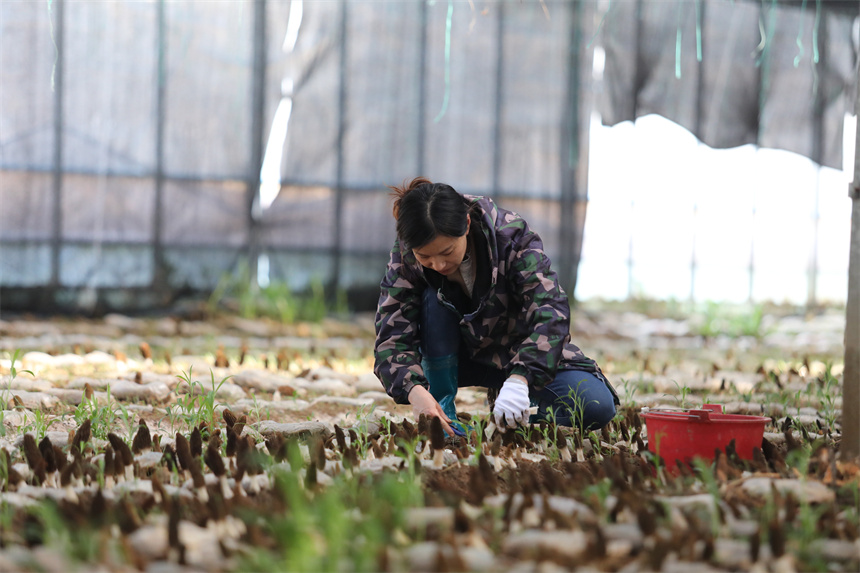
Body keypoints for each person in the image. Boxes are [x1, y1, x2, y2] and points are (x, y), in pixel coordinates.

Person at [374, 177, 618, 436]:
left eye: (447, 252)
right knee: (433, 297)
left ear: (467, 224)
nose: (439, 265)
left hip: (515, 353)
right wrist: (415, 391)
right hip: (454, 357)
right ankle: (443, 417)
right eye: (425, 257)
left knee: (596, 407)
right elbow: (391, 337)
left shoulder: (510, 236)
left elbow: (550, 311)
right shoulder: (407, 252)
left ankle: (514, 406)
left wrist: (521, 378)